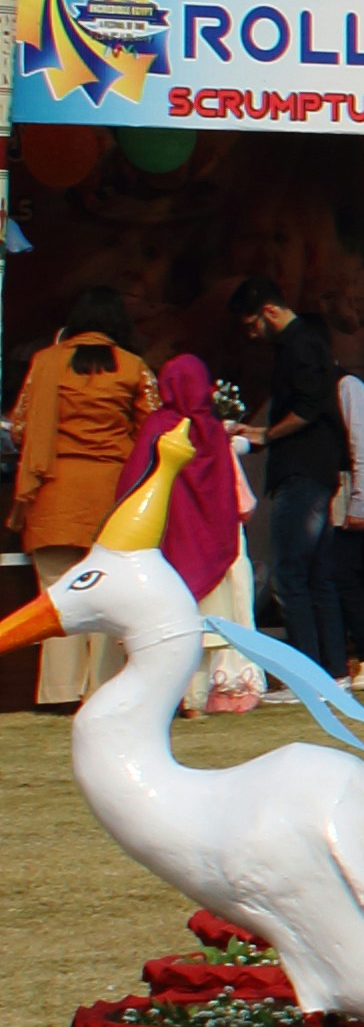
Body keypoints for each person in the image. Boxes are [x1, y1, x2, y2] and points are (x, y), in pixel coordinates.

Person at [10, 284, 157, 708]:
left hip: (53, 494)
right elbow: (153, 430)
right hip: (112, 499)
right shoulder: (134, 368)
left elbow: (21, 426)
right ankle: (104, 689)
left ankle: (58, 692)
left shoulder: (45, 362)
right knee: (109, 598)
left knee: (57, 597)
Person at [226, 276, 354, 676]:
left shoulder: (299, 346)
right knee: (317, 578)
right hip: (314, 469)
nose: (251, 335)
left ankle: (306, 673)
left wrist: (265, 434)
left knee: (291, 577)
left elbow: (308, 408)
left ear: (269, 311)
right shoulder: (307, 343)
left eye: (251, 325)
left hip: (302, 471)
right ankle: (331, 670)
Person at [123, 352, 261, 712]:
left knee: (171, 624)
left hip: (170, 541)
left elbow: (133, 483)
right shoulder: (212, 430)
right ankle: (204, 697)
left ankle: (180, 699)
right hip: (213, 544)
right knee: (209, 625)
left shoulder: (158, 427)